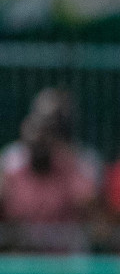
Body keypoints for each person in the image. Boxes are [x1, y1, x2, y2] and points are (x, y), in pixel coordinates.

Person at [0, 88, 99, 248]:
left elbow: (91, 208)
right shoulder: (10, 164)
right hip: (21, 258)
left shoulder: (71, 165)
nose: (39, 141)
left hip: (63, 260)